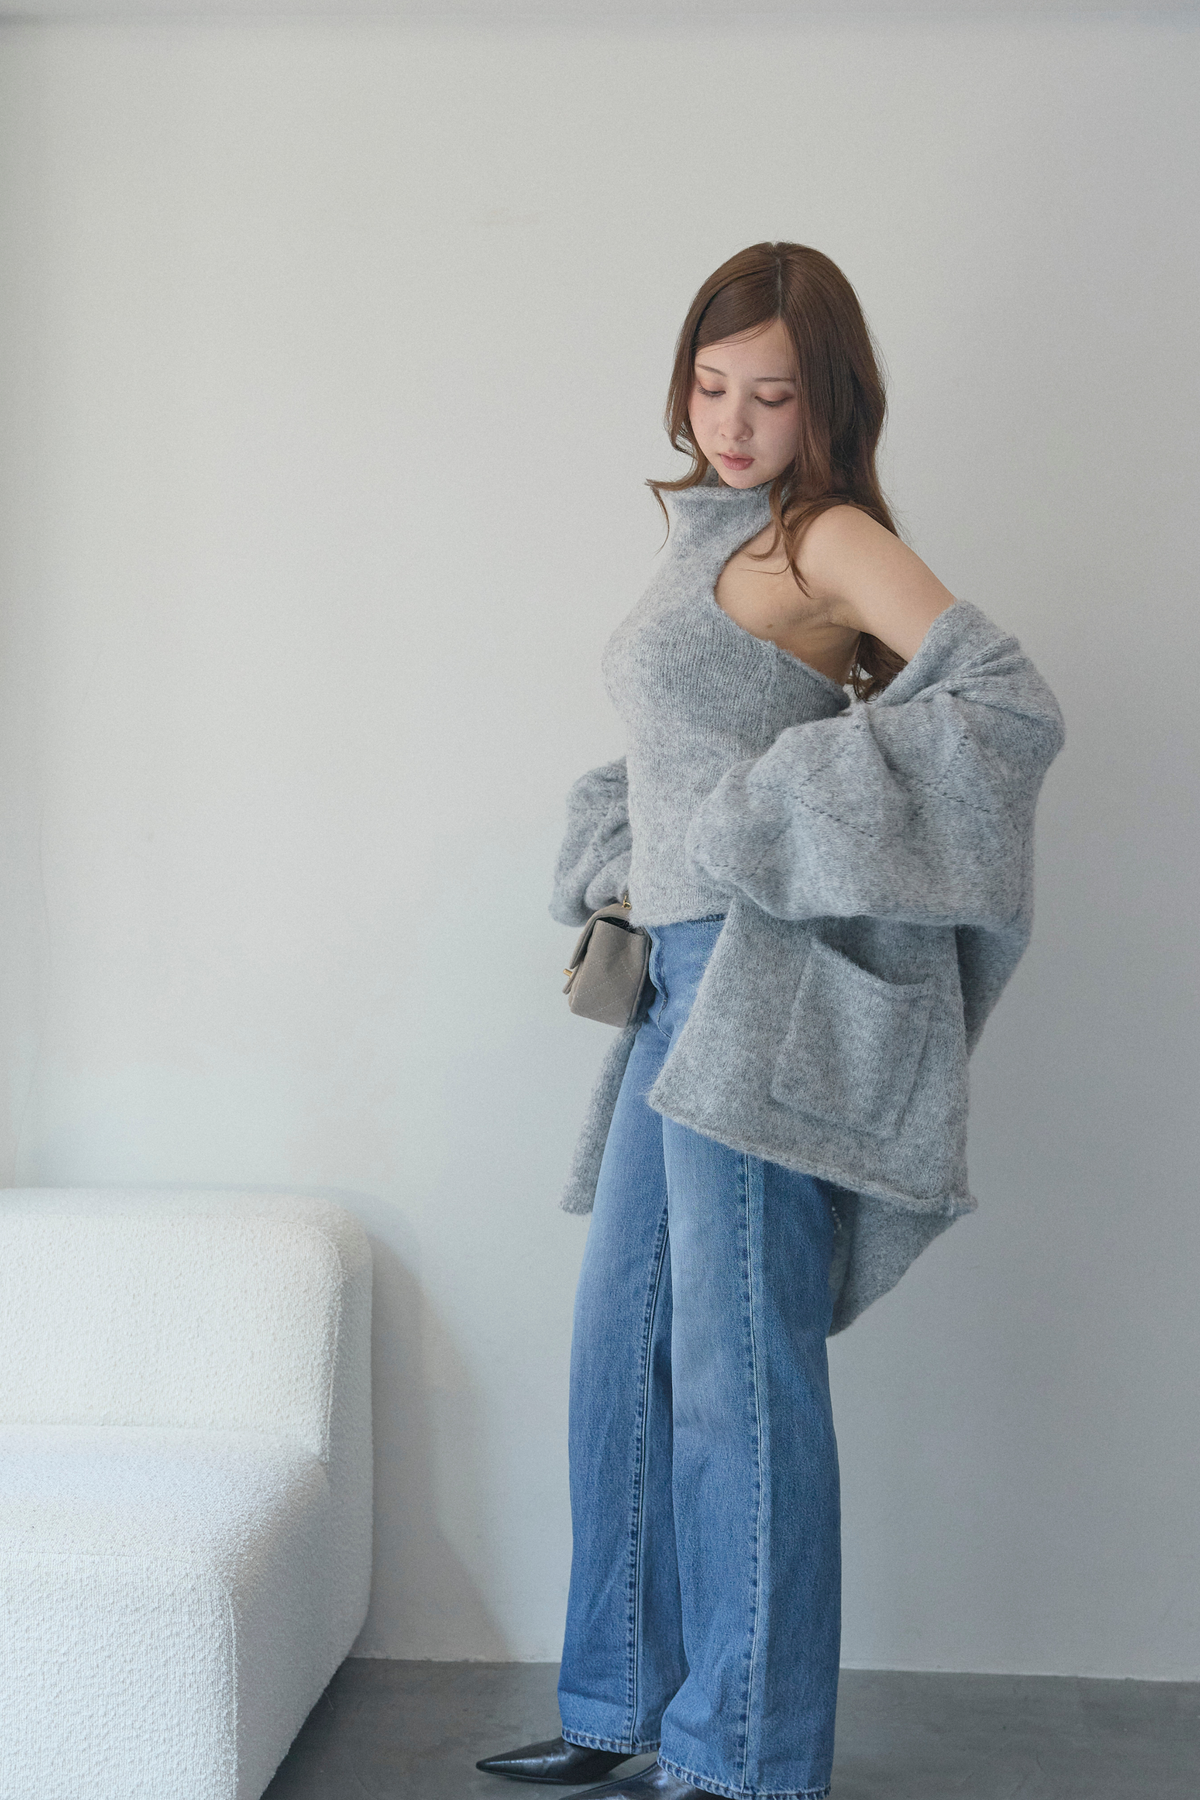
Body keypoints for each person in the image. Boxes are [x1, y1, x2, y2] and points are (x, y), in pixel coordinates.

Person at [477, 242, 1065, 1800]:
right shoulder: (709, 532)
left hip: (760, 999)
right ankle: (619, 1705)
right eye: (712, 385)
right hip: (670, 990)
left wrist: (768, 809)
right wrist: (635, 841)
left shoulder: (832, 538)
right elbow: (677, 743)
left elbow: (1007, 708)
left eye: (772, 395)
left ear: (829, 404)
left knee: (739, 1384)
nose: (731, 422)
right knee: (624, 1356)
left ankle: (742, 1756)